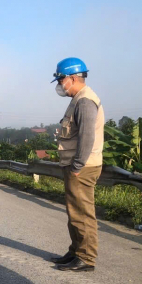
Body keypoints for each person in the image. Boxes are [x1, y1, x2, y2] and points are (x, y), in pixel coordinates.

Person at [49, 58, 105, 272]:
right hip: (78, 166)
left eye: (61, 79)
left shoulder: (85, 101)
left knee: (82, 213)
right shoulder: (78, 99)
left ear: (73, 78)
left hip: (83, 167)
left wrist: (77, 166)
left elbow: (87, 138)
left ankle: (86, 258)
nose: (60, 84)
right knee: (74, 212)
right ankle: (75, 252)